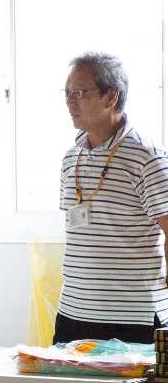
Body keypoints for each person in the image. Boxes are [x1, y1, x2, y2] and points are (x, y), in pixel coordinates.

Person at [56, 52, 168, 344]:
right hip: (74, 312)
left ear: (111, 97)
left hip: (131, 317)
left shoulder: (146, 156)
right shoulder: (71, 158)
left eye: (79, 93)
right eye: (67, 93)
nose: (70, 102)